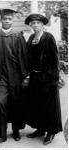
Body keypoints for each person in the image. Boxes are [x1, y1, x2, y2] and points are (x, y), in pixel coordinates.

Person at [0, 8, 29, 148]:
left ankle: (15, 130)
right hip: (1, 76)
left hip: (16, 75)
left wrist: (26, 75)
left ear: (12, 20)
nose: (7, 21)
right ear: (1, 20)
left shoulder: (18, 36)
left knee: (16, 103)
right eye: (5, 19)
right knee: (0, 101)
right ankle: (1, 135)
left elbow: (24, 57)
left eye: (10, 19)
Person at [24, 13, 63, 145]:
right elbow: (28, 58)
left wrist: (55, 78)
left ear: (42, 25)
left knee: (49, 105)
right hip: (35, 77)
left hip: (47, 76)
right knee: (37, 104)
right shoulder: (30, 38)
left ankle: (50, 132)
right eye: (33, 23)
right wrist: (28, 75)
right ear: (31, 25)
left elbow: (54, 59)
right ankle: (40, 129)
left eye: (38, 23)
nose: (35, 25)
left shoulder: (48, 37)